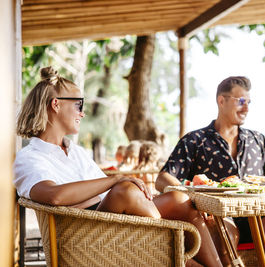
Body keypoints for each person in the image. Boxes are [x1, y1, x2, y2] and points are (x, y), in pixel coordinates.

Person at [13, 66, 223, 267]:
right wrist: (115, 180)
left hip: (112, 218)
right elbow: (54, 196)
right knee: (125, 191)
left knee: (180, 198)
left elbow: (100, 194)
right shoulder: (30, 157)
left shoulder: (74, 151)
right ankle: (183, 261)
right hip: (83, 236)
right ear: (56, 105)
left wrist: (119, 188)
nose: (82, 113)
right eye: (79, 105)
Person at [156, 76, 265, 264]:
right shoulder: (195, 140)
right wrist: (193, 198)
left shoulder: (259, 141)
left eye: (249, 102)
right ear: (221, 100)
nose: (247, 108)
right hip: (218, 218)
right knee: (226, 239)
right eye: (241, 101)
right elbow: (163, 178)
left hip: (258, 216)